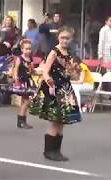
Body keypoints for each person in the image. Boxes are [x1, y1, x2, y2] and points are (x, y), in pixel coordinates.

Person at [30, 26, 81, 161]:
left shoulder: (69, 53)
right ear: (58, 37)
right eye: (62, 37)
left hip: (65, 88)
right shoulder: (54, 52)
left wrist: (75, 70)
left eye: (67, 38)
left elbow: (70, 73)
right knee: (55, 120)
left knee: (62, 121)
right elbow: (45, 71)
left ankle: (56, 150)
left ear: (71, 39)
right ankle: (49, 151)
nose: (64, 40)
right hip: (54, 89)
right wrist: (48, 80)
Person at [12, 39, 35, 129]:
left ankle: (21, 121)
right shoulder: (19, 58)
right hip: (22, 81)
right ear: (22, 49)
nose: (28, 51)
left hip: (28, 80)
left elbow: (31, 70)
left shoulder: (30, 58)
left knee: (24, 101)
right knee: (26, 101)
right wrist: (15, 79)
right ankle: (21, 120)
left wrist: (32, 69)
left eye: (29, 49)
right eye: (26, 49)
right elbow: (16, 69)